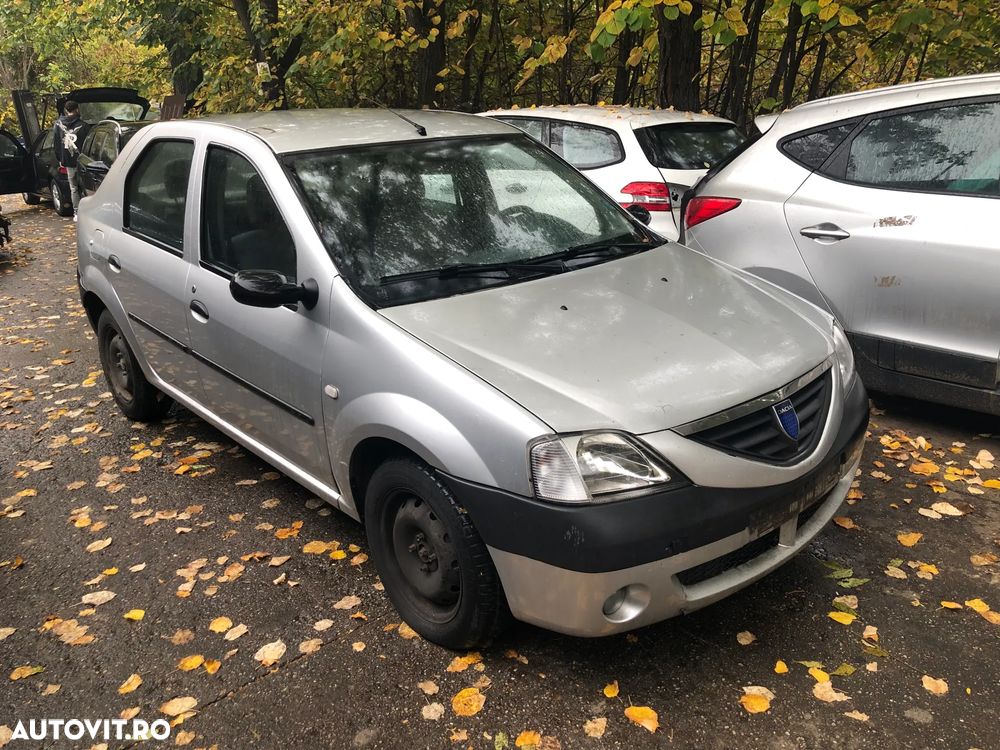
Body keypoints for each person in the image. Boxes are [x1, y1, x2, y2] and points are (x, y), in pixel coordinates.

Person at [52, 100, 86, 221]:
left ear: (66, 110)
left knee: (74, 188)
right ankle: (88, 212)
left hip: (68, 162)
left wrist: (60, 159)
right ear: (77, 109)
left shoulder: (58, 125)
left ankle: (76, 213)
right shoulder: (83, 125)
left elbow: (56, 143)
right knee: (86, 187)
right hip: (83, 162)